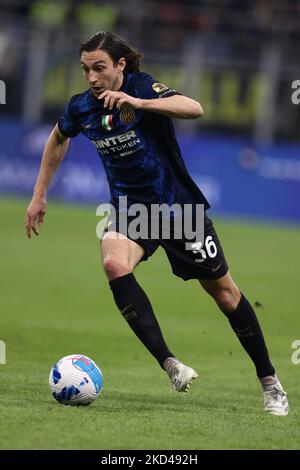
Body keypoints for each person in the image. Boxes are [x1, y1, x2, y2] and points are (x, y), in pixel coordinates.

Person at [25, 31, 288, 416]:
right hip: (131, 212)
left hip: (178, 209)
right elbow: (58, 137)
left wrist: (138, 101)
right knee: (114, 263)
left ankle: (270, 383)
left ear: (121, 65)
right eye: (85, 69)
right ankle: (171, 364)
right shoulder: (82, 107)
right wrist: (39, 193)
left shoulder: (143, 87)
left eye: (99, 68)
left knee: (226, 295)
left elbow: (193, 107)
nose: (92, 77)